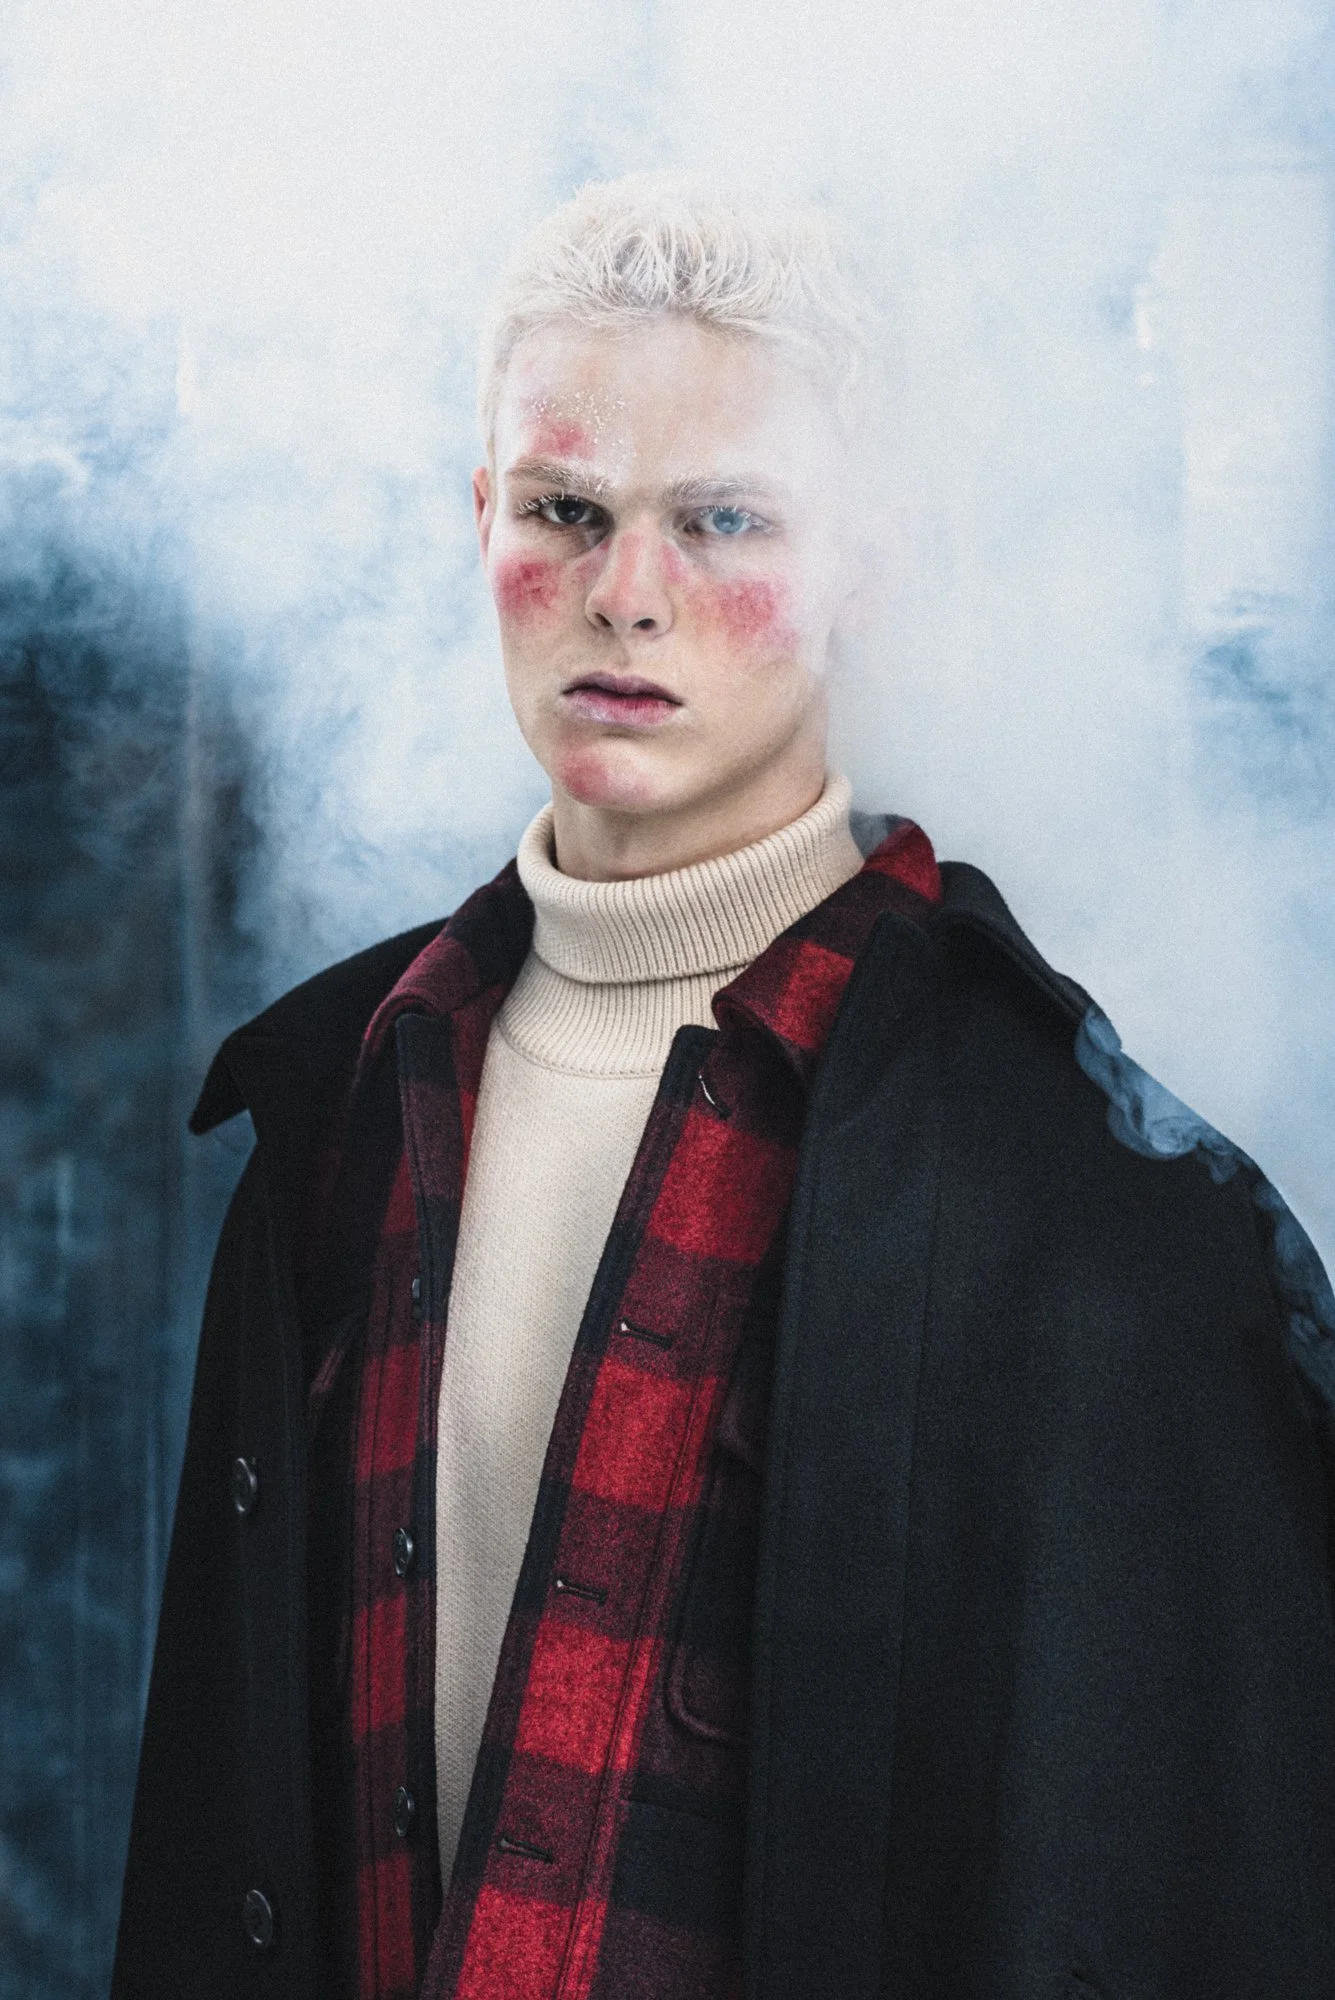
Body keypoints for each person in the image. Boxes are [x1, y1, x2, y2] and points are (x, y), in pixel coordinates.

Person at [112, 175, 1335, 2000]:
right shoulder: (339, 1109)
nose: (626, 594)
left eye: (723, 520)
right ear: (480, 521)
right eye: (565, 510)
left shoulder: (1099, 1209)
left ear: (866, 561)